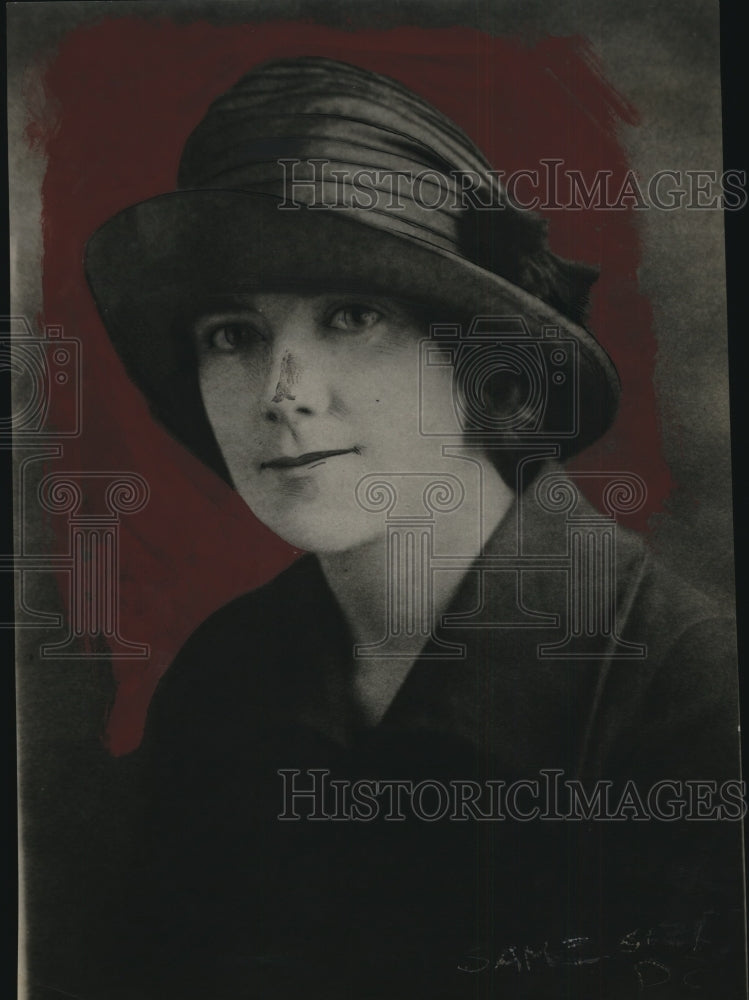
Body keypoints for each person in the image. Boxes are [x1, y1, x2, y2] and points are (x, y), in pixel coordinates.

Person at [84, 57, 744, 999]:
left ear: (478, 363)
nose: (282, 395)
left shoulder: (680, 690)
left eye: (351, 316)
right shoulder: (223, 680)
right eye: (232, 334)